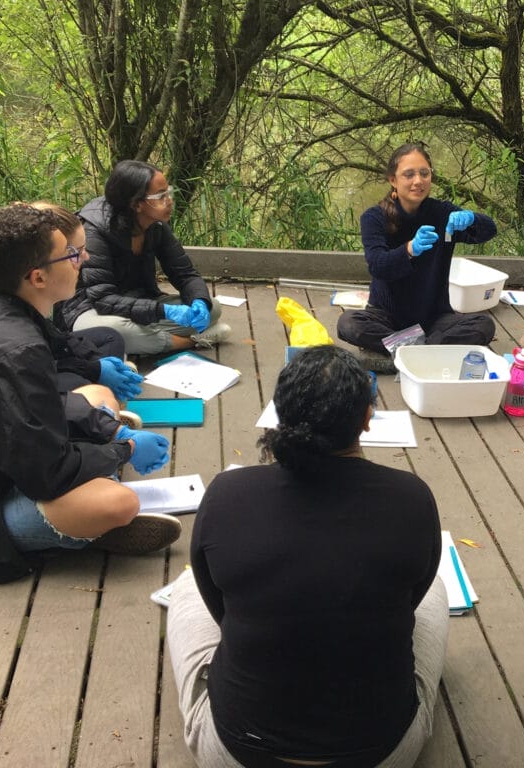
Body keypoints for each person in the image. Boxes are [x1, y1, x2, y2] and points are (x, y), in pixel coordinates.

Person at [167, 345, 449, 768]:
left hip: (236, 753)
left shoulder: (227, 494)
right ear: (367, 419)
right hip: (383, 754)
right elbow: (415, 594)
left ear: (279, 415)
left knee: (189, 581)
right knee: (436, 591)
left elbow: (216, 605)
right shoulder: (412, 497)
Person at [0, 204, 182, 594]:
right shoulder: (15, 350)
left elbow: (35, 411)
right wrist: (121, 450)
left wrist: (104, 427)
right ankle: (73, 532)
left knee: (97, 395)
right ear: (38, 276)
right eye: (73, 254)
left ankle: (81, 519)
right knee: (117, 503)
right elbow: (47, 471)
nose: (84, 258)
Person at [0, 202, 143, 403]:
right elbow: (29, 359)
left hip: (18, 360)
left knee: (107, 339)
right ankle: (99, 408)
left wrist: (94, 365)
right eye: (76, 252)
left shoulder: (38, 281)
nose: (86, 257)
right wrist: (91, 370)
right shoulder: (8, 295)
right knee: (84, 387)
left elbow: (56, 337)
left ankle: (103, 400)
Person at [336, 143, 498, 371]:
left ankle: (405, 353)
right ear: (393, 179)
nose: (418, 181)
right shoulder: (374, 217)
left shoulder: (441, 213)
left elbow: (489, 231)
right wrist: (409, 250)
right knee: (348, 323)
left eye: (424, 173)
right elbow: (378, 266)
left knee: (484, 325)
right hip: (385, 316)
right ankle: (427, 353)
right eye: (409, 174)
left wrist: (472, 219)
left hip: (434, 317)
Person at [61, 159, 231, 355]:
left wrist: (199, 300)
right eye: (161, 196)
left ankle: (144, 342)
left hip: (139, 302)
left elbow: (185, 274)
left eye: (169, 192)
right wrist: (162, 311)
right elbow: (103, 299)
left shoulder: (155, 225)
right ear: (136, 204)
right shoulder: (94, 232)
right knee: (118, 331)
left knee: (213, 308)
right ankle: (192, 341)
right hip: (91, 309)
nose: (169, 200)